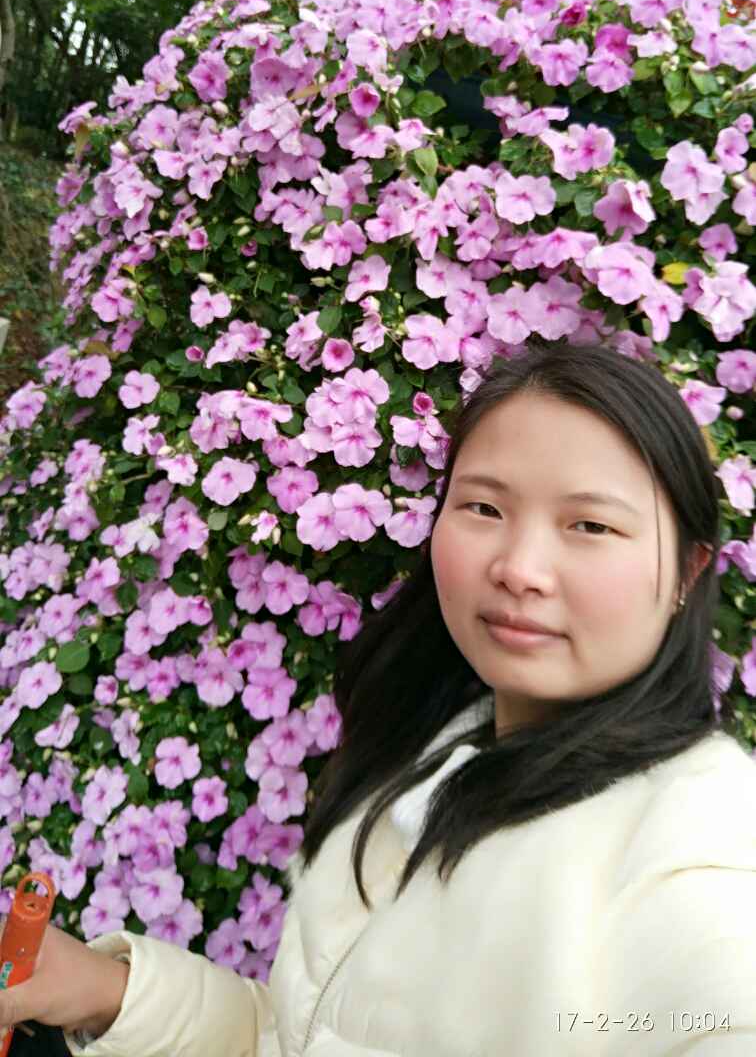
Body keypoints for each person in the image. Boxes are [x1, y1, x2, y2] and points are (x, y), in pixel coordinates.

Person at [1, 341, 755, 1056]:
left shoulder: (701, 860)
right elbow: (307, 1037)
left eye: (590, 525)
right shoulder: (436, 746)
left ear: (689, 570)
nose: (520, 568)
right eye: (484, 508)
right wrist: (104, 991)